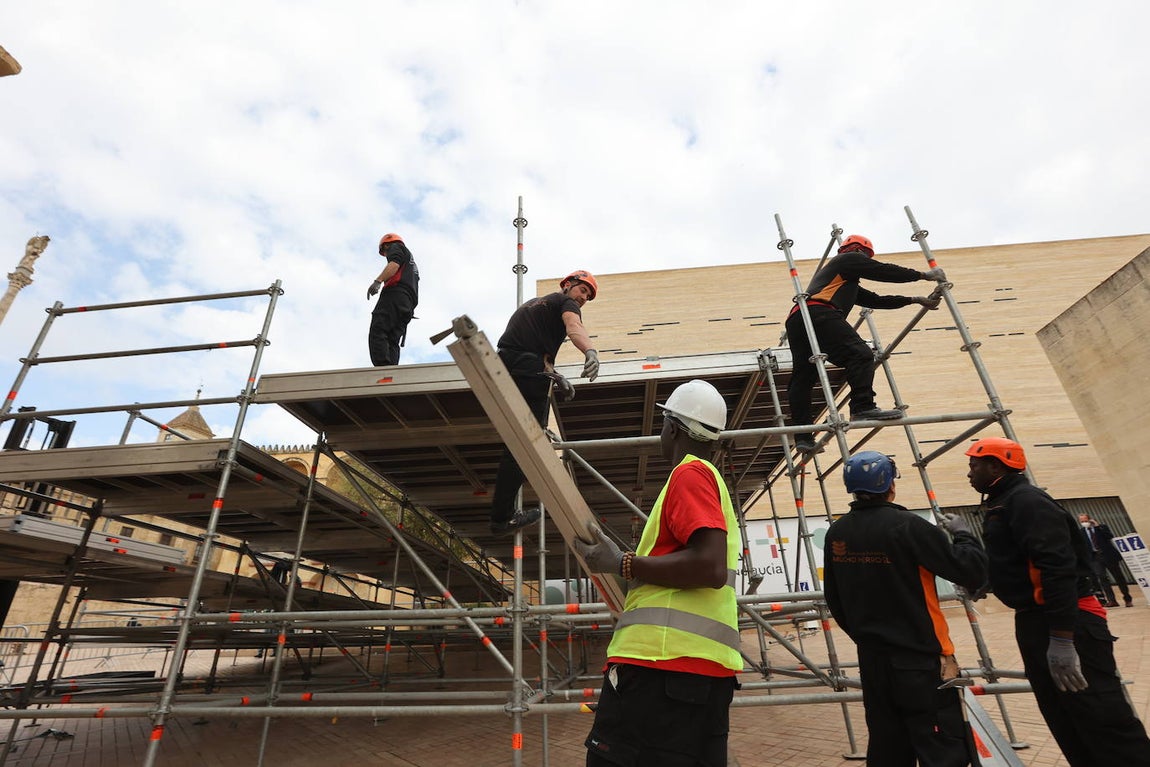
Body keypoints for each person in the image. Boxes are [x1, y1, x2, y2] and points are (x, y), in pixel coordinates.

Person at [574, 379, 742, 766]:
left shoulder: (689, 474)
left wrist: (622, 563)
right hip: (696, 675)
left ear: (673, 427)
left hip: (660, 674)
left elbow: (709, 566)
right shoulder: (708, 479)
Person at [964, 437, 1150, 765]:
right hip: (1037, 619)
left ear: (995, 466)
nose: (969, 473)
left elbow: (1057, 567)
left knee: (1101, 716)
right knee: (1064, 717)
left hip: (1067, 620)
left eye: (974, 465)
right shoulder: (1003, 502)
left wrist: (1062, 638)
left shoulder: (1027, 501)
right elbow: (1020, 562)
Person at [824, 450, 987, 767]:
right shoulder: (908, 526)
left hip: (873, 660)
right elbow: (970, 571)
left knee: (888, 746)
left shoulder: (838, 532)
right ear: (890, 485)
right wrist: (964, 535)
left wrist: (865, 636)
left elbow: (835, 598)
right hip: (922, 660)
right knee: (940, 745)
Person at [785, 234, 947, 453]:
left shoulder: (843, 281)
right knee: (860, 354)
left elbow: (877, 300)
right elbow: (883, 270)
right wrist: (923, 275)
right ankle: (862, 406)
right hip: (819, 312)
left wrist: (915, 300)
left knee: (804, 378)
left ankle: (803, 437)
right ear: (855, 250)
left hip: (799, 319)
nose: (865, 260)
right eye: (865, 256)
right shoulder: (847, 259)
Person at [489, 270, 601, 535]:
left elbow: (528, 348)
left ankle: (501, 516)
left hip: (502, 367)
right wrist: (590, 351)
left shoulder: (534, 304)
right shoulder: (566, 304)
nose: (583, 297)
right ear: (567, 285)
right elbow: (574, 326)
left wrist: (555, 376)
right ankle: (502, 518)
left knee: (516, 445)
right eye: (582, 290)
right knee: (528, 444)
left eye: (587, 295)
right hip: (529, 371)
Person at [366, 232, 419, 366]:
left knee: (378, 329)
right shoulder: (411, 265)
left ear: (387, 244)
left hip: (394, 294)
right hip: (408, 304)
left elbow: (394, 265)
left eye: (384, 251)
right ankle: (390, 373)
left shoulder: (396, 247)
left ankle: (382, 369)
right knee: (392, 339)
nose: (385, 254)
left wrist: (378, 281)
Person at [1079, 513, 1134, 608]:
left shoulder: (1101, 528)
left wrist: (1097, 526)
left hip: (1108, 556)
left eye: (1086, 521)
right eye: (1082, 521)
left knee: (1118, 577)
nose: (1084, 523)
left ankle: (1127, 598)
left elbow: (1109, 536)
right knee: (1102, 577)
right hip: (1095, 557)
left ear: (1090, 520)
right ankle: (1112, 600)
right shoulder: (1081, 532)